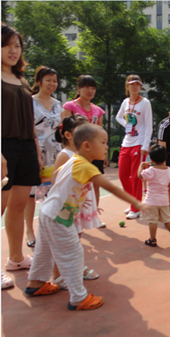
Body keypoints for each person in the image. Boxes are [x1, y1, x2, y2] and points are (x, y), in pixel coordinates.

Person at [25, 123, 151, 310]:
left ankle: (36, 283)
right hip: (58, 218)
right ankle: (78, 298)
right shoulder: (85, 166)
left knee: (45, 251)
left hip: (47, 212)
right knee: (73, 254)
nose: (107, 147)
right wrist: (138, 203)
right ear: (86, 146)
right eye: (103, 142)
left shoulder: (73, 160)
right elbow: (112, 187)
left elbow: (57, 175)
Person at [1, 23, 41, 289]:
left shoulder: (23, 80)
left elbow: (29, 120)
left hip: (26, 146)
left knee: (18, 205)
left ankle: (16, 258)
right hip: (3, 147)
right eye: (7, 44)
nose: (14, 50)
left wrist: (36, 151)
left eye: (17, 45)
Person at [50, 114, 100, 289]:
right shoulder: (65, 155)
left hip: (78, 205)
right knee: (64, 241)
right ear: (68, 135)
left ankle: (76, 269)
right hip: (67, 206)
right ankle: (57, 275)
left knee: (75, 241)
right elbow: (56, 183)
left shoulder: (83, 154)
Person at [24, 66, 63, 250]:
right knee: (32, 194)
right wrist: (36, 155)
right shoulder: (29, 102)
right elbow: (28, 130)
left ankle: (46, 229)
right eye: (48, 80)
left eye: (54, 81)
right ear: (39, 81)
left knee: (49, 193)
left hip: (55, 155)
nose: (52, 84)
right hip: (35, 154)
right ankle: (29, 231)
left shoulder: (57, 104)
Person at [61, 75, 107, 227]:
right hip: (76, 152)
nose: (90, 90)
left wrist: (103, 153)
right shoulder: (70, 106)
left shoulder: (98, 110)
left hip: (93, 153)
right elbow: (64, 129)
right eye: (86, 87)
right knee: (73, 185)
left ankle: (94, 216)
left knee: (95, 184)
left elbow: (100, 132)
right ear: (79, 88)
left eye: (93, 88)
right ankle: (70, 216)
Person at [115, 75, 153, 219]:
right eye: (132, 84)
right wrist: (126, 125)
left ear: (140, 86)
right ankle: (134, 202)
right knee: (123, 175)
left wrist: (145, 145)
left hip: (139, 144)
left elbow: (149, 125)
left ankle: (135, 209)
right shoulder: (125, 102)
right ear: (127, 86)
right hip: (126, 143)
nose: (135, 87)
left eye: (137, 84)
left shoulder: (145, 103)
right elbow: (118, 117)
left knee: (136, 177)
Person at [138, 144, 170, 247]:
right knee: (167, 220)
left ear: (152, 159)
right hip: (164, 200)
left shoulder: (151, 171)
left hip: (151, 201)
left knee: (153, 221)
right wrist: (169, 199)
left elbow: (139, 176)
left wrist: (141, 165)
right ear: (166, 156)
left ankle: (152, 239)